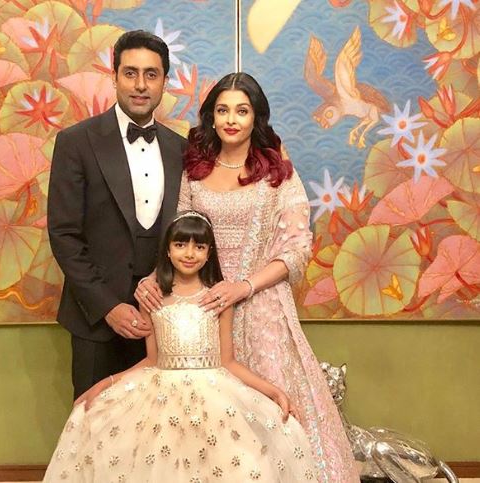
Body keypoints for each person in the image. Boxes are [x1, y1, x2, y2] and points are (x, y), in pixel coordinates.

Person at [136, 73, 359, 482]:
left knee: (272, 417)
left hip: (262, 307)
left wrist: (244, 286)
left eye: (242, 110)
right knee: (205, 422)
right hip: (203, 307)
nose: (231, 120)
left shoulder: (277, 172)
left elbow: (297, 248)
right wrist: (153, 278)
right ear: (211, 117)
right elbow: (181, 235)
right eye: (222, 110)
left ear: (256, 117)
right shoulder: (195, 171)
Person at [43, 211, 320, 482]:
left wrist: (273, 391)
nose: (189, 254)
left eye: (199, 247)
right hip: (161, 396)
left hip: (214, 396)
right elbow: (151, 360)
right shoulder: (153, 298)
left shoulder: (218, 298)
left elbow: (228, 362)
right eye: (180, 245)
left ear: (209, 253)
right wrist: (107, 383)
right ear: (167, 250)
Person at [47, 30, 186, 399]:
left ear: (164, 82)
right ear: (114, 77)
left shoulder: (181, 150)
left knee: (159, 423)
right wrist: (108, 307)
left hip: (165, 317)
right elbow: (63, 234)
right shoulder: (76, 142)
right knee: (94, 423)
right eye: (130, 73)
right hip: (95, 320)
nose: (140, 85)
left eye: (151, 74)